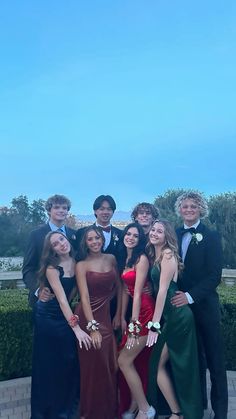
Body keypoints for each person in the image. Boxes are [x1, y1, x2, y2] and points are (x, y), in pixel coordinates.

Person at [172, 191, 228, 419]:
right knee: (193, 360)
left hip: (204, 307)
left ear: (200, 209)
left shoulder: (211, 236)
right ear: (179, 210)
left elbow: (215, 275)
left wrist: (190, 296)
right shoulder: (174, 234)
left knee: (215, 362)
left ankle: (221, 412)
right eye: (184, 206)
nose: (188, 210)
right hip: (181, 310)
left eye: (192, 206)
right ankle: (198, 406)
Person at [31, 231, 91, 419]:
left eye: (62, 239)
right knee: (50, 364)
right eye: (56, 244)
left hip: (64, 316)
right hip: (48, 317)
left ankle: (67, 407)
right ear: (52, 250)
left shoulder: (77, 262)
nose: (61, 244)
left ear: (67, 240)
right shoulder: (52, 268)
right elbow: (63, 301)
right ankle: (49, 411)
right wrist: (76, 328)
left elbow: (73, 293)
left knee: (68, 360)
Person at [146, 219, 203, 419]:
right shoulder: (158, 255)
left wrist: (154, 325)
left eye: (159, 231)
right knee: (159, 365)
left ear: (166, 235)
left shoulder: (168, 254)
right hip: (171, 317)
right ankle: (176, 412)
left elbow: (162, 292)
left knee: (166, 365)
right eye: (153, 230)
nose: (154, 233)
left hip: (178, 317)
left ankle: (178, 413)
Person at [75, 225, 121, 419]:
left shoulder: (111, 259)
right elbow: (84, 297)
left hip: (106, 317)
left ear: (103, 240)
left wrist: (119, 314)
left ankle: (109, 411)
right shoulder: (81, 265)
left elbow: (119, 287)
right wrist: (93, 328)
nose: (94, 242)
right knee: (93, 368)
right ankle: (90, 412)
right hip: (88, 318)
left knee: (110, 365)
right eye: (90, 239)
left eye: (97, 238)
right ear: (85, 243)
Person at [117, 222, 156, 419]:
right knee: (132, 361)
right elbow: (126, 290)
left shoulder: (141, 259)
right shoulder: (127, 258)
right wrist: (122, 317)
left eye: (135, 235)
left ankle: (145, 409)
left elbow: (138, 293)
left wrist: (133, 325)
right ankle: (134, 405)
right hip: (134, 311)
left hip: (144, 312)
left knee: (124, 360)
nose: (130, 237)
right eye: (128, 234)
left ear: (140, 239)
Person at [22, 194, 77, 307]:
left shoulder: (74, 235)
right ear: (48, 210)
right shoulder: (36, 235)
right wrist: (38, 290)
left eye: (64, 208)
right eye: (57, 207)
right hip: (43, 301)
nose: (61, 210)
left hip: (68, 298)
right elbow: (28, 269)